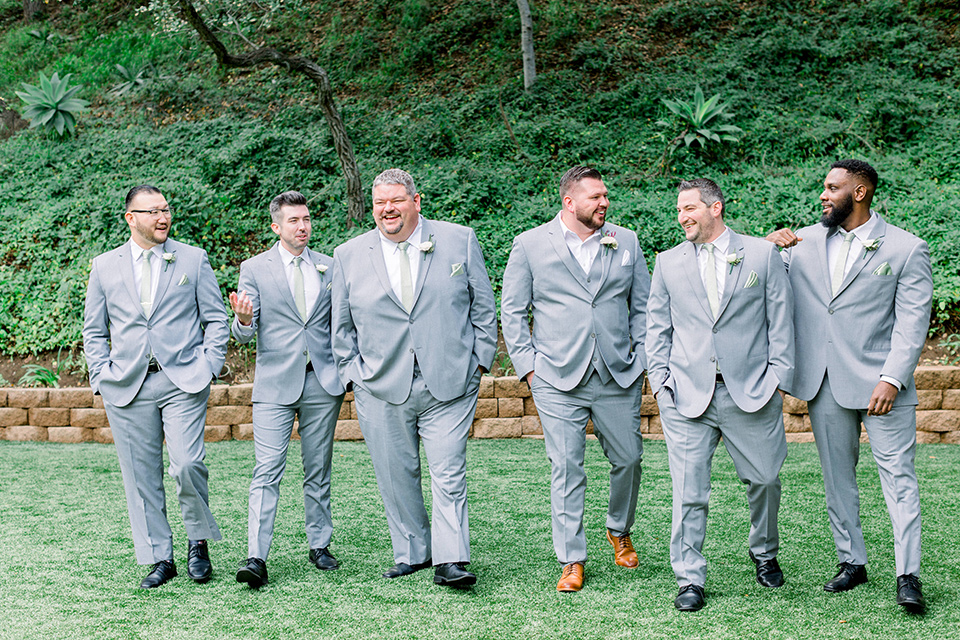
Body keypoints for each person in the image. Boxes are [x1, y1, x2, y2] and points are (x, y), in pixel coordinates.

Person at [766, 159, 932, 614]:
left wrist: (892, 378)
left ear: (858, 193)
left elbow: (912, 323)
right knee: (838, 481)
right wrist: (766, 247)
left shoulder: (906, 248)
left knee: (899, 480)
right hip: (824, 383)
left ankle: (907, 574)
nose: (823, 194)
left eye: (831, 187)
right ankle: (851, 561)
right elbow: (763, 286)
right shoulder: (801, 242)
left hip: (884, 388)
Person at [330, 169, 497, 588]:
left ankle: (451, 559)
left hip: (451, 382)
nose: (387, 209)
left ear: (416, 201)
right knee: (395, 473)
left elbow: (483, 306)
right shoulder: (348, 255)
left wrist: (479, 361)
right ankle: (412, 551)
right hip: (381, 386)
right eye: (379, 203)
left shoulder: (459, 239)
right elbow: (340, 326)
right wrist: (355, 374)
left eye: (396, 201)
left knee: (448, 471)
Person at [646, 179, 794, 612]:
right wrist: (662, 386)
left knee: (765, 480)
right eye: (678, 210)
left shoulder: (762, 255)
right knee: (689, 492)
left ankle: (764, 552)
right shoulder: (668, 263)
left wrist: (777, 379)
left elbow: (780, 321)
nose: (682, 217)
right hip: (687, 397)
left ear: (716, 207)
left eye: (690, 208)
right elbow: (657, 331)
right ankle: (689, 578)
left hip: (751, 393)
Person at [500, 166, 649, 592]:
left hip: (617, 372)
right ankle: (572, 558)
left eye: (606, 196)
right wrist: (529, 367)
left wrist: (639, 358)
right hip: (555, 376)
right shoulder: (529, 244)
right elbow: (512, 310)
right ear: (569, 202)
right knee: (567, 466)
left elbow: (642, 306)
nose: (604, 203)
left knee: (630, 458)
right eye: (595, 197)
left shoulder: (626, 241)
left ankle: (618, 528)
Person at [83, 185, 228, 589]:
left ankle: (197, 542)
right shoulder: (104, 266)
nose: (163, 217)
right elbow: (94, 330)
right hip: (126, 385)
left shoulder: (193, 259)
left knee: (186, 464)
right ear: (131, 218)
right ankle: (159, 556)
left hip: (182, 379)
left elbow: (216, 319)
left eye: (166, 209)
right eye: (153, 211)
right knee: (141, 476)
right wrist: (101, 374)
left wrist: (208, 365)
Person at [228, 191, 345, 589]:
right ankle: (256, 556)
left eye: (307, 219)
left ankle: (320, 544)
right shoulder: (254, 268)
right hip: (275, 385)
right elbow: (244, 332)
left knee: (318, 468)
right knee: (267, 470)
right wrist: (242, 322)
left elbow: (341, 323)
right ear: (276, 226)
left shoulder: (331, 266)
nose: (303, 226)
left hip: (323, 383)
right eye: (294, 221)